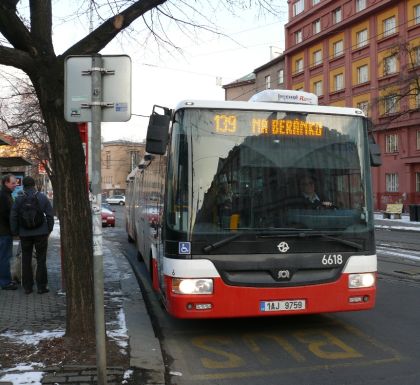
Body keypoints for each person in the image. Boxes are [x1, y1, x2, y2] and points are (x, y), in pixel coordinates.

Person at [10, 176, 54, 294]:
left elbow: (13, 216)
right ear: (34, 184)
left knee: (26, 259)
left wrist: (16, 232)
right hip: (41, 233)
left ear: (23, 185)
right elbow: (50, 215)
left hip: (24, 234)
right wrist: (49, 229)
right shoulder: (42, 197)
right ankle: (41, 286)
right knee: (41, 259)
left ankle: (27, 287)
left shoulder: (19, 199)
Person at [0, 174, 18, 290]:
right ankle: (5, 282)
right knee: (4, 258)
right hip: (4, 232)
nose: (15, 185)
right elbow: (8, 215)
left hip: (4, 232)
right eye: (13, 183)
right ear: (6, 183)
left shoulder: (6, 195)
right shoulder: (4, 196)